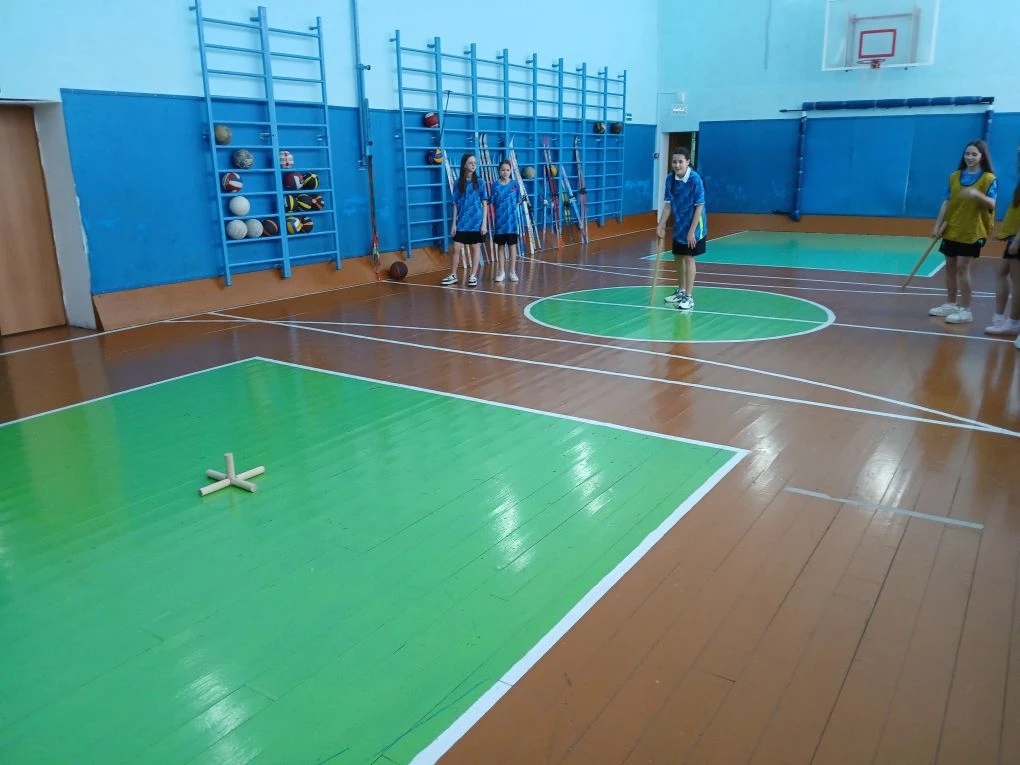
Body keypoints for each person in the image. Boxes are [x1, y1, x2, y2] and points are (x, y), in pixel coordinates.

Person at [929, 140, 997, 324]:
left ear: (982, 157)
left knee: (962, 268)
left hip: (972, 231)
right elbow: (946, 202)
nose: (970, 157)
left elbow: (992, 204)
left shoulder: (988, 179)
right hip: (952, 228)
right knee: (950, 267)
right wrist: (937, 225)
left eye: (974, 154)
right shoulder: (954, 176)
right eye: (967, 153)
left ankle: (966, 310)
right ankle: (951, 304)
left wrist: (976, 194)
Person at [655, 147, 706, 311]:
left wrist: (691, 232)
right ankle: (681, 290)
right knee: (677, 256)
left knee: (689, 258)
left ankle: (689, 297)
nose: (677, 165)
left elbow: (699, 207)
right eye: (674, 162)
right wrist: (661, 224)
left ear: (687, 162)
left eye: (680, 162)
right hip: (680, 224)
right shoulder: (670, 180)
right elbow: (668, 205)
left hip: (695, 225)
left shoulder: (695, 179)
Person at [441, 153, 488, 287]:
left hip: (476, 221)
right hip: (462, 221)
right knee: (456, 247)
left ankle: (473, 276)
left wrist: (484, 223)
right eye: (471, 162)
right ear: (464, 164)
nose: (473, 165)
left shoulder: (480, 182)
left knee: (475, 247)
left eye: (475, 163)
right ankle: (453, 275)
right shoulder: (458, 183)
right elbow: (455, 204)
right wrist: (453, 224)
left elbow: (485, 203)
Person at [986, 180, 1020, 335]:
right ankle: (999, 318)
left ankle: (1014, 322)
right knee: (1001, 272)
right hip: (1013, 236)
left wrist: (1017, 240)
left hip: (1017, 239)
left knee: (1017, 281)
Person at [489, 159, 521, 282]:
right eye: (503, 170)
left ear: (510, 171)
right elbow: (491, 201)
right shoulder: (494, 186)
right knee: (501, 247)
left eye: (507, 170)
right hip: (500, 224)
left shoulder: (515, 185)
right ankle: (501, 271)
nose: (505, 172)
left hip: (512, 223)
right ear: (499, 171)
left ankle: (512, 271)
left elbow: (517, 201)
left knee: (512, 247)